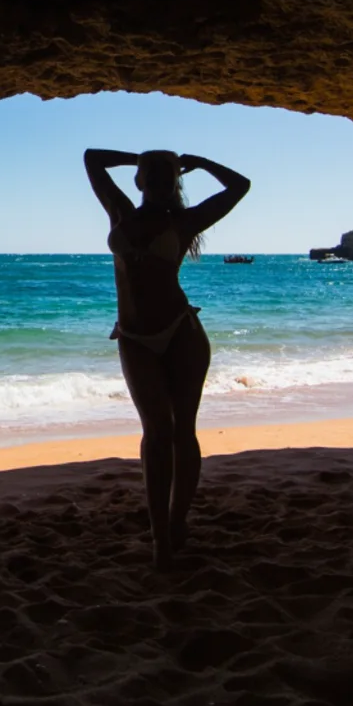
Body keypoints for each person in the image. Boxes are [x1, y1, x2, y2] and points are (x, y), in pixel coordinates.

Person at [84, 148, 251, 568]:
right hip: (135, 337)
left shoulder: (185, 220)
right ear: (139, 180)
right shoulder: (119, 209)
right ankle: (161, 538)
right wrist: (145, 157)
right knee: (157, 432)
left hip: (181, 333)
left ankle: (177, 523)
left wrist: (196, 161)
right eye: (148, 172)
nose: (155, 179)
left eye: (165, 174)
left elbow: (240, 186)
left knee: (181, 432)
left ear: (174, 181)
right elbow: (91, 158)